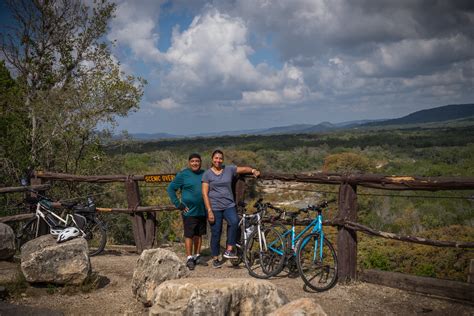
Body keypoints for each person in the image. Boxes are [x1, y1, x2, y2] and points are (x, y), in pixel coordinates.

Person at [202, 149, 260, 268]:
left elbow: (244, 169)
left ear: (223, 159)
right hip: (215, 207)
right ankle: (215, 258)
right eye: (216, 158)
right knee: (216, 232)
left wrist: (253, 170)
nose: (218, 160)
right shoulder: (207, 174)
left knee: (234, 222)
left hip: (229, 205)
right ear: (212, 159)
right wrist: (209, 210)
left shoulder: (229, 169)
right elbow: (204, 193)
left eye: (220, 158)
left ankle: (229, 249)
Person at [167, 153, 208, 270]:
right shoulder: (183, 174)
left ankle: (197, 256)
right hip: (188, 211)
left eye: (197, 161)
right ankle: (189, 258)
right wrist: (178, 204)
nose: (195, 163)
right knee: (189, 234)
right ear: (189, 163)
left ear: (200, 162)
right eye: (193, 161)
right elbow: (170, 188)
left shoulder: (204, 173)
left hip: (202, 209)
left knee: (199, 234)